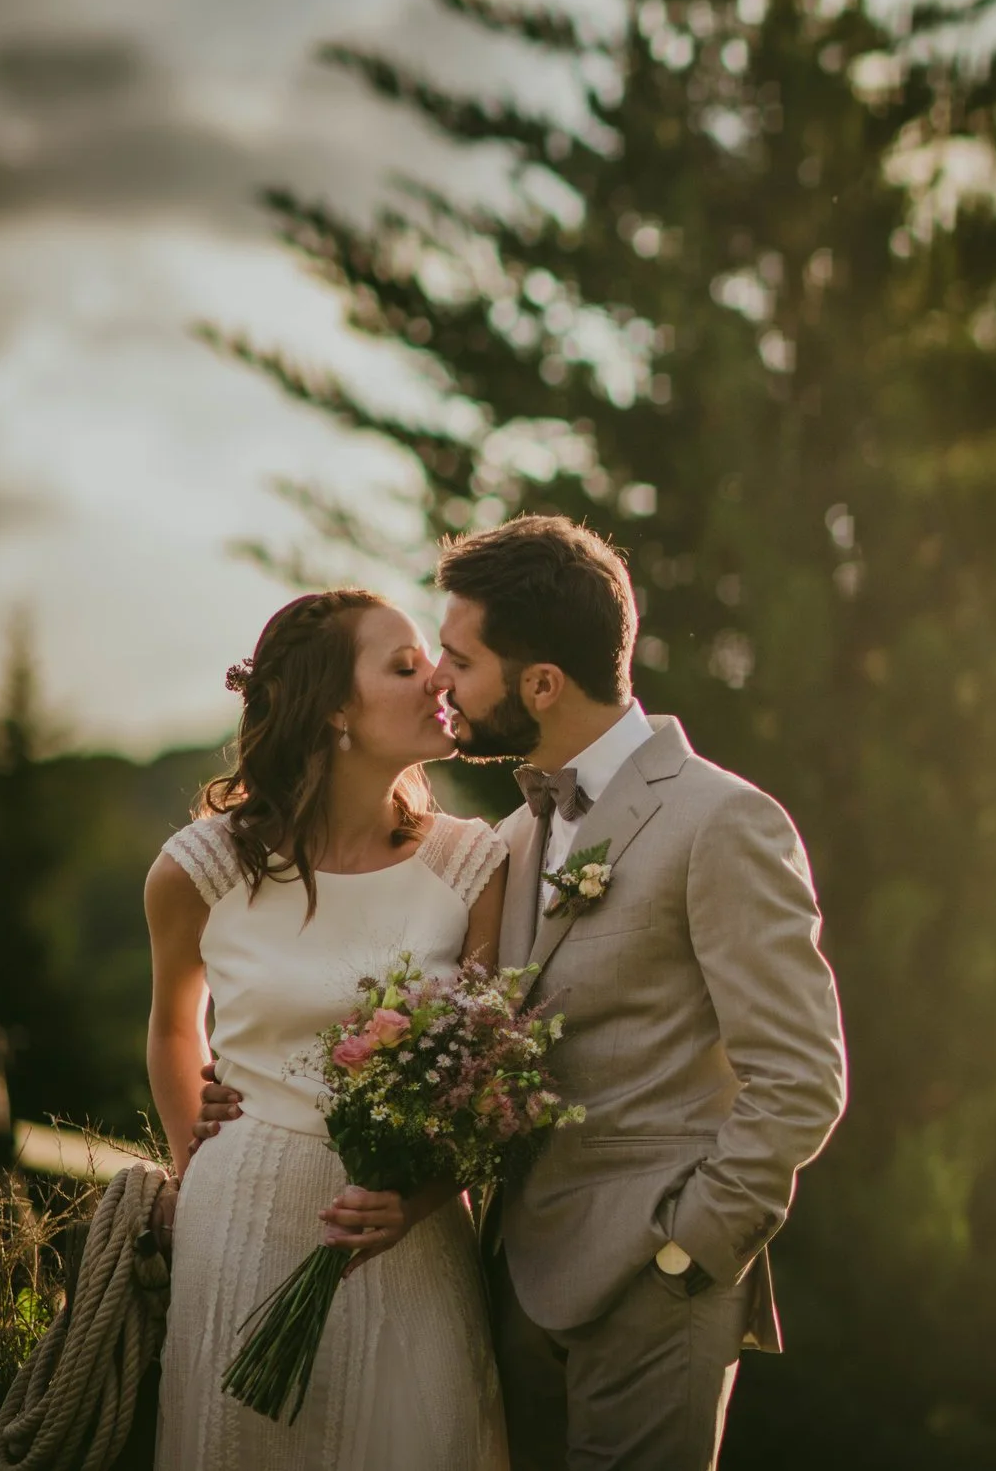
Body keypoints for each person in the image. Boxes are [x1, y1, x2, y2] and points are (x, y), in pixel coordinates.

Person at [198, 516, 849, 1469]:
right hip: (511, 1287)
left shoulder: (723, 821)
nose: (441, 685)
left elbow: (801, 1078)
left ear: (541, 684)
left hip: (656, 1291)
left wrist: (688, 1251)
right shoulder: (511, 840)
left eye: (458, 660)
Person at [146, 588, 511, 1469]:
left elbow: (491, 1068)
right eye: (403, 665)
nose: (438, 680)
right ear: (335, 710)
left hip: (409, 1234)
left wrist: (416, 1199)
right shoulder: (201, 867)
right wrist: (196, 1156)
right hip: (240, 1223)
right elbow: (170, 1026)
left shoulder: (472, 865)